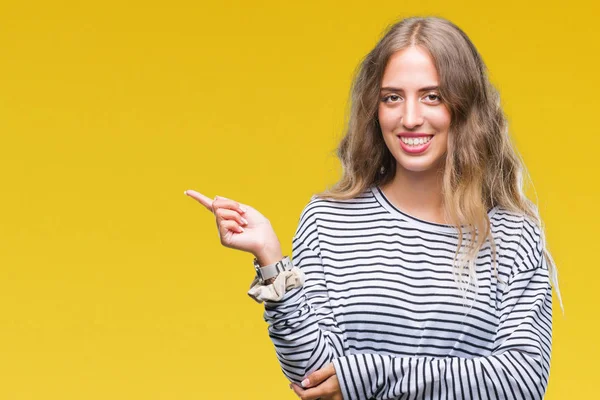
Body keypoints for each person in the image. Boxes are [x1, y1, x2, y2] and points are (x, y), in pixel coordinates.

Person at [185, 16, 562, 400]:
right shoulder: (328, 220)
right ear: (375, 108)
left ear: (465, 107)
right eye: (392, 97)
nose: (410, 119)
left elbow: (521, 382)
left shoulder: (513, 236)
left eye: (432, 96)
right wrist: (270, 260)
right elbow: (313, 380)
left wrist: (368, 373)